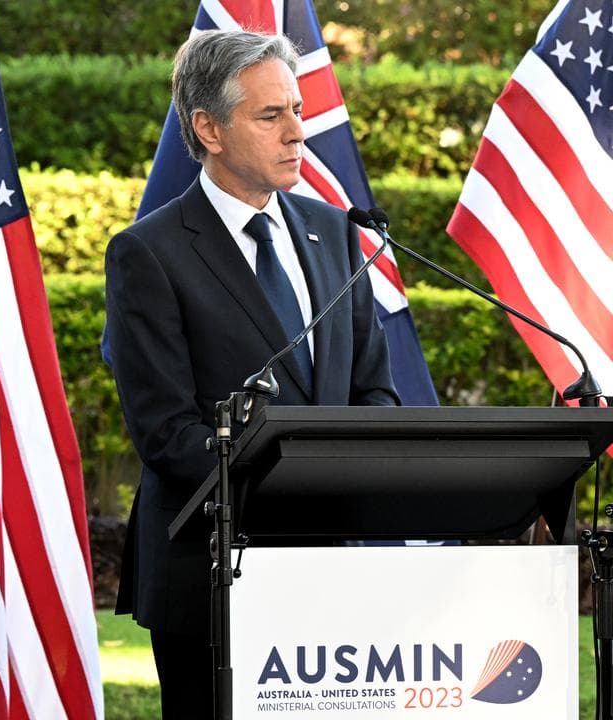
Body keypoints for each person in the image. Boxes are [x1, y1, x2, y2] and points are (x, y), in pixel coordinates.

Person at [103, 30, 400, 718]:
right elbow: (166, 432)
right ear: (208, 128)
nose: (298, 131)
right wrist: (292, 471)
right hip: (209, 580)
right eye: (272, 116)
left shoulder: (336, 232)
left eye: (297, 110)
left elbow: (374, 392)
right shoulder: (148, 253)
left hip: (327, 572)